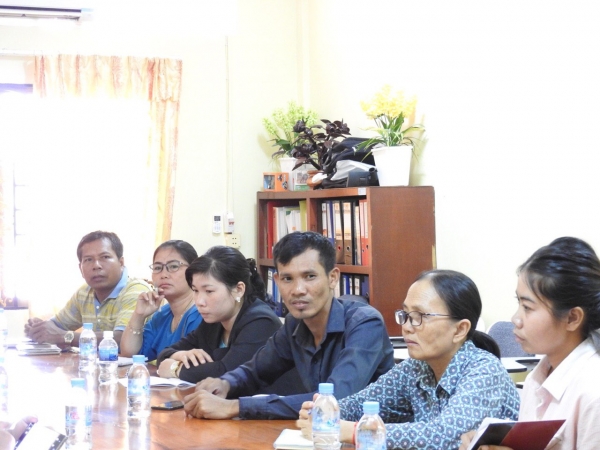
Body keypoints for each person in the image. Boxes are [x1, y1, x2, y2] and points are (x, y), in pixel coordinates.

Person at [182, 231, 395, 420]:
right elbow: (256, 371)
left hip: (371, 437)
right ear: (276, 281)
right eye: (287, 279)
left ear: (332, 278)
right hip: (319, 435)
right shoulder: (295, 323)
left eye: (310, 276)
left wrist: (235, 407)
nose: (298, 289)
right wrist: (225, 383)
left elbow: (336, 398)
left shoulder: (365, 323)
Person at [298, 269, 521, 449]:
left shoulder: (484, 371)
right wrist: (323, 412)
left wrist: (355, 431)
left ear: (460, 329)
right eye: (405, 315)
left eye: (419, 317)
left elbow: (446, 437)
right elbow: (360, 404)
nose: (406, 326)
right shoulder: (416, 368)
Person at [460, 237, 600, 450]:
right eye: (519, 303)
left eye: (527, 307)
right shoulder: (538, 376)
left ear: (572, 318)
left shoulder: (593, 392)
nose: (515, 319)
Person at [156, 246, 282, 383]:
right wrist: (179, 355)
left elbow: (227, 373)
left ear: (238, 289)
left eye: (209, 291)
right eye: (195, 291)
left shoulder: (261, 322)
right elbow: (164, 354)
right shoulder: (214, 321)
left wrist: (175, 369)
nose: (199, 302)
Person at [24, 230, 152, 347]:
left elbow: (122, 339)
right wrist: (39, 328)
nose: (96, 265)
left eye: (105, 257)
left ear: (121, 263)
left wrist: (64, 337)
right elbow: (57, 326)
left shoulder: (137, 291)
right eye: (88, 259)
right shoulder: (84, 293)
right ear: (80, 269)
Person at [120, 240, 203, 361]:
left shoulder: (202, 313)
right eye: (158, 268)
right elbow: (129, 354)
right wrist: (139, 315)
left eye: (173, 266)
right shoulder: (162, 315)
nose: (163, 274)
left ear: (193, 271)